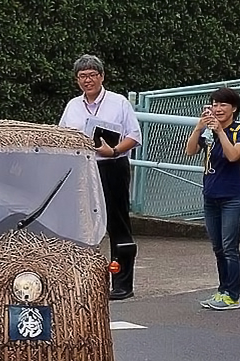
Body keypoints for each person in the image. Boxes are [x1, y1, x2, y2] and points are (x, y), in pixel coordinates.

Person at [58, 54, 142, 300]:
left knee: (117, 224)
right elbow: (63, 135)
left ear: (102, 76)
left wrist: (114, 150)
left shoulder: (119, 102)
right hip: (82, 168)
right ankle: (82, 281)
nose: (88, 80)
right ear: (77, 80)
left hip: (112, 166)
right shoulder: (72, 105)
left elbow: (134, 136)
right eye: (82, 76)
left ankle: (123, 283)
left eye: (92, 75)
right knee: (79, 225)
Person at [185, 88, 240, 311]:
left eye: (223, 104)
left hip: (234, 196)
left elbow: (234, 155)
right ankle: (222, 290)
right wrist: (199, 127)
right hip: (211, 196)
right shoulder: (208, 132)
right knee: (218, 248)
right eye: (214, 104)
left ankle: (233, 295)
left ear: (233, 108)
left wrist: (220, 132)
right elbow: (190, 150)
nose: (217, 108)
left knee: (229, 247)